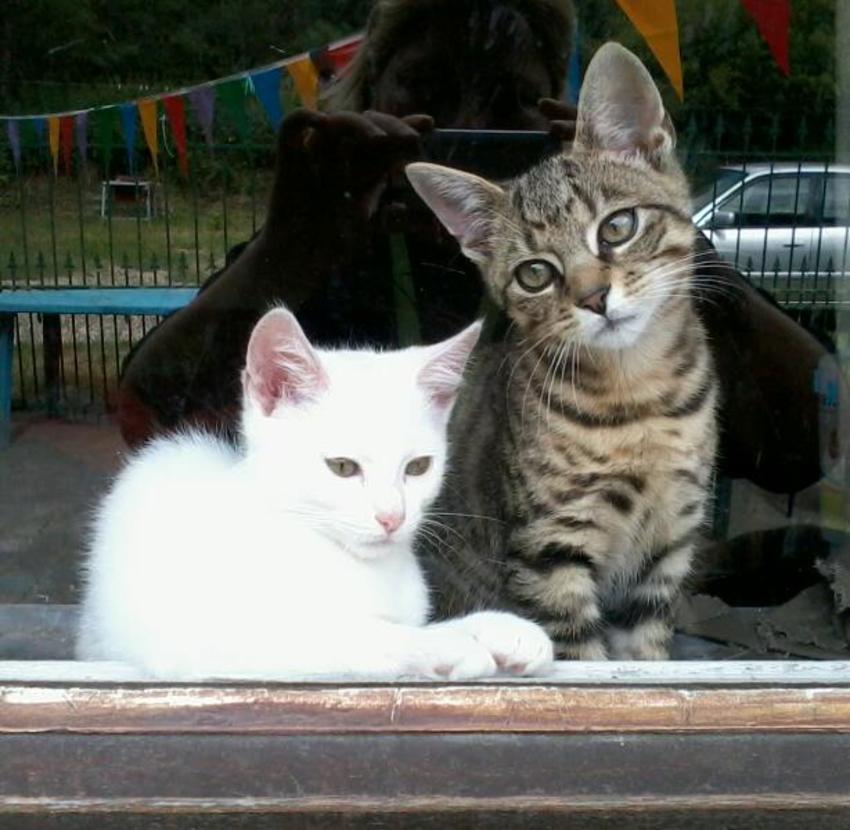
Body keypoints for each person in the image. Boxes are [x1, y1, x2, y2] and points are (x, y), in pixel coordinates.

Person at [118, 0, 832, 497]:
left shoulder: (621, 278)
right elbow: (150, 429)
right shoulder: (327, 256)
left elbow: (808, 448)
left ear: (557, 116)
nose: (465, 127)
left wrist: (638, 211)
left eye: (509, 100)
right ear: (369, 103)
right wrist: (286, 250)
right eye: (426, 92)